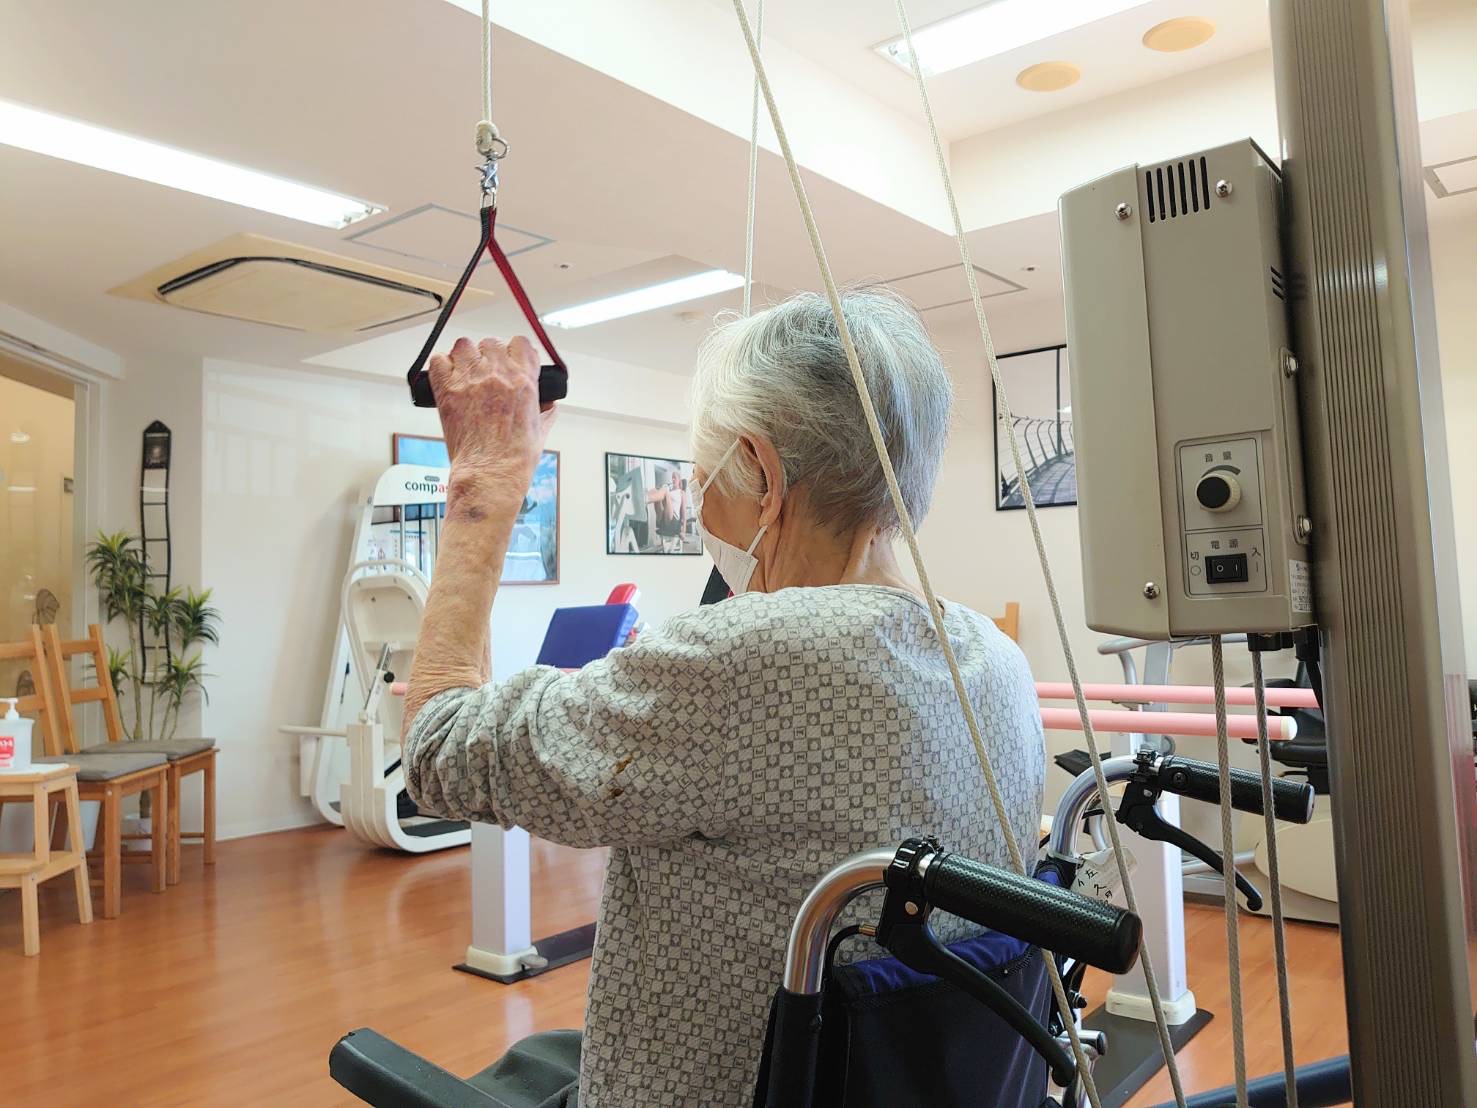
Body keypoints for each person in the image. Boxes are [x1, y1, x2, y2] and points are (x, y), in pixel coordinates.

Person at [402, 290, 1046, 1108]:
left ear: (762, 474)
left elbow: (437, 751)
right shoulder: (996, 658)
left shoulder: (740, 658)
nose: (701, 505)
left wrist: (483, 487)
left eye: (702, 480)